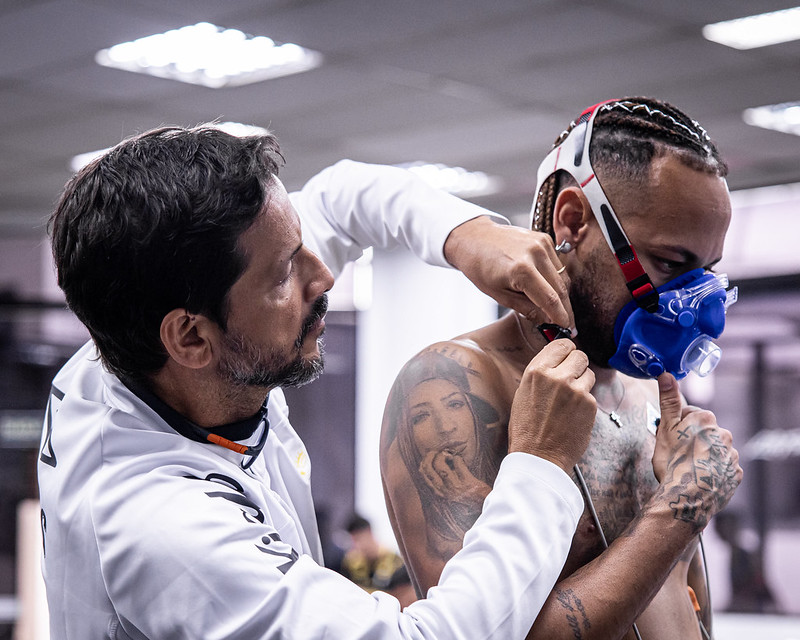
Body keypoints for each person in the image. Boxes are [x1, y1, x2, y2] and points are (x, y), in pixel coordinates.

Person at [37, 124, 599, 639]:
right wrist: (540, 464)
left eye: (301, 242)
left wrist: (466, 235)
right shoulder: (165, 528)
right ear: (190, 339)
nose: (324, 274)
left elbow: (342, 197)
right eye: (284, 272)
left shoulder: (141, 330)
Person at [381, 97, 743, 640]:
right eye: (670, 263)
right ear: (573, 219)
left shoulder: (648, 396)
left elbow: (682, 601)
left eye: (706, 271)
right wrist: (681, 508)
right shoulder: (451, 383)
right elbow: (482, 634)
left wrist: (686, 513)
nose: (695, 306)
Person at [341, 514, 406, 597]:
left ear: (369, 532)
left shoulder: (395, 561)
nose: (357, 546)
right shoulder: (350, 564)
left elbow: (400, 595)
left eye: (359, 539)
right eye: (353, 541)